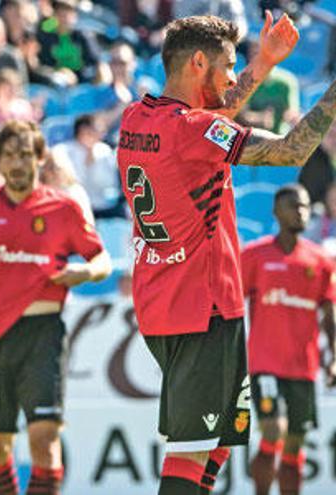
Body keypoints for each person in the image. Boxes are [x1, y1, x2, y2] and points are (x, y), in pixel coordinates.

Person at [112, 10, 336, 494]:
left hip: (164, 300)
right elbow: (293, 151)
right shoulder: (192, 131)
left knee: (212, 445)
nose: (235, 78)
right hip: (202, 307)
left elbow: (209, 119)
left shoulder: (138, 117)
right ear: (198, 62)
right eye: (229, 66)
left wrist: (265, 62)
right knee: (192, 448)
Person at [0, 120, 111, 495]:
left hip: (43, 335)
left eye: (25, 155)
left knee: (44, 441)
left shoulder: (63, 207)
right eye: (9, 156)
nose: (17, 164)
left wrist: (84, 272)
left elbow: (102, 260)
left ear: (39, 158)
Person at [242, 184, 336, 495]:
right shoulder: (255, 255)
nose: (301, 212)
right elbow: (230, 304)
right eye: (293, 206)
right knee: (274, 430)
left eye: (306, 206)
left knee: (295, 444)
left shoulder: (320, 260)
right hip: (265, 365)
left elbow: (329, 313)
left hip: (303, 368)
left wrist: (334, 358)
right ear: (276, 212)